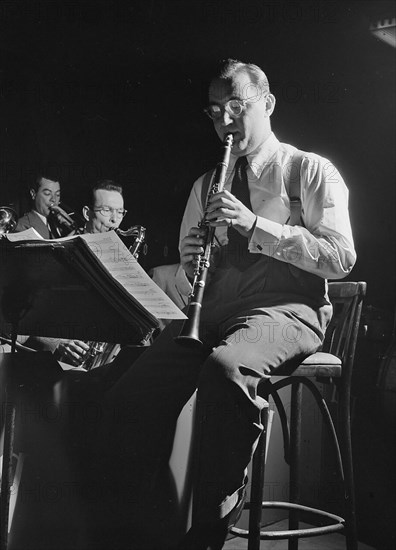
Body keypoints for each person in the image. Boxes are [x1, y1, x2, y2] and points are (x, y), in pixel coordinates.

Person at [98, 59, 356, 550]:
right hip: (216, 315)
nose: (226, 121)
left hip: (287, 312)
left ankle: (214, 525)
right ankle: (148, 530)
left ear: (268, 104)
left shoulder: (309, 170)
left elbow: (341, 256)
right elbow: (190, 274)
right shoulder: (205, 185)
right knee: (126, 398)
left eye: (237, 106)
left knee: (225, 370)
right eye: (216, 111)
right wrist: (192, 261)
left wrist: (254, 226)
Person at [15, 174, 61, 238]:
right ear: (33, 194)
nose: (53, 199)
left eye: (57, 194)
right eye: (47, 194)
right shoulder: (21, 226)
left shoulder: (60, 224)